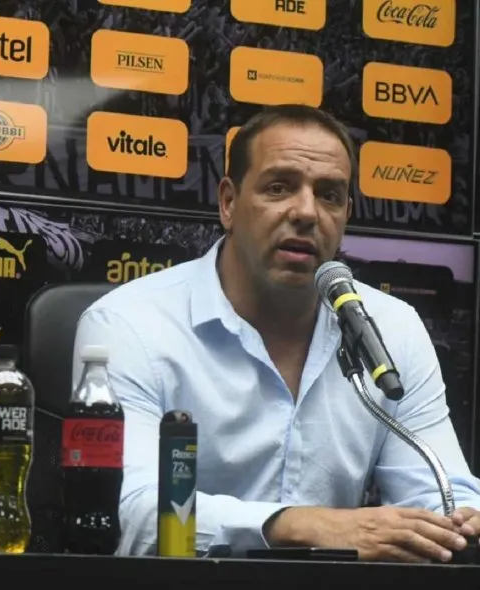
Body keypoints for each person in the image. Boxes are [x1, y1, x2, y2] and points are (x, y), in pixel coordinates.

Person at [72, 104, 480, 563]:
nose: (306, 212)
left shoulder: (391, 328)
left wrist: (459, 518)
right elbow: (134, 514)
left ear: (346, 213)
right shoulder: (129, 324)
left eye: (328, 195)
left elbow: (443, 493)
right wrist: (302, 525)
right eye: (279, 187)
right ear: (228, 202)